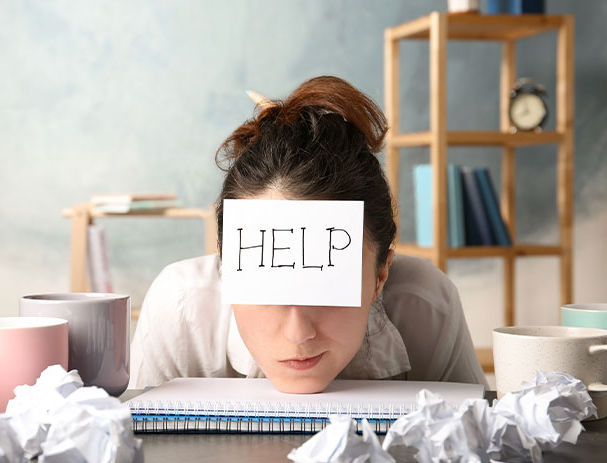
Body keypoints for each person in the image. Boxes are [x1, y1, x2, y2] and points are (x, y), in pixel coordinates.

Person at [129, 76, 486, 393]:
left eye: (327, 288)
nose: (299, 334)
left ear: (380, 275)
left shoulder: (428, 305)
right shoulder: (179, 307)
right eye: (268, 286)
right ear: (227, 268)